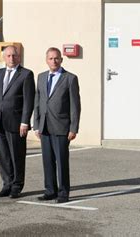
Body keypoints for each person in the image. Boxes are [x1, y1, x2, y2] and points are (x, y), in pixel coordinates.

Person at [0, 45, 35, 199]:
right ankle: (6, 184)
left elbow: (29, 100)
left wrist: (25, 122)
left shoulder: (26, 74)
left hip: (16, 123)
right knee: (4, 156)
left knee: (17, 155)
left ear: (19, 57)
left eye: (14, 56)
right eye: (8, 56)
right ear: (4, 57)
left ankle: (17, 185)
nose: (11, 58)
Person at [34, 47, 81, 204]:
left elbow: (75, 105)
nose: (54, 61)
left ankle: (63, 192)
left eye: (56, 58)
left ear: (61, 60)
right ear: (46, 60)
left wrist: (73, 128)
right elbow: (38, 103)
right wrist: (36, 125)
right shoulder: (41, 77)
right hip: (45, 127)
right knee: (47, 160)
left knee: (61, 162)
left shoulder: (70, 78)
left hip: (62, 127)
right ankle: (50, 190)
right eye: (50, 58)